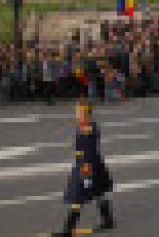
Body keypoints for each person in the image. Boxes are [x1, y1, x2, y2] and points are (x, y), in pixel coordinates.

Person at [53, 101, 115, 236]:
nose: (76, 113)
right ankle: (108, 220)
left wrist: (86, 176)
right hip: (94, 164)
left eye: (78, 111)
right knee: (99, 191)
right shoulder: (87, 126)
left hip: (86, 166)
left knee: (77, 196)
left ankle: (68, 230)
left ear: (84, 114)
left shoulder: (87, 128)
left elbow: (87, 153)